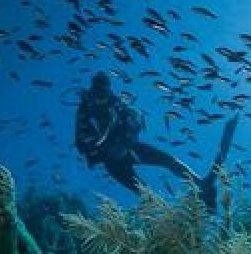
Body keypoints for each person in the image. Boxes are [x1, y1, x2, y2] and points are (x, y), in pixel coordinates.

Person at [74, 72, 224, 208]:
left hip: (130, 148)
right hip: (111, 162)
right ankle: (168, 217)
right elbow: (81, 143)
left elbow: (137, 120)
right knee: (143, 191)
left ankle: (201, 184)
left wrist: (126, 138)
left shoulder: (117, 104)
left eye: (104, 92)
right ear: (92, 91)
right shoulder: (85, 111)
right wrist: (98, 149)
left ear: (108, 90)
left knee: (168, 161)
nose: (101, 97)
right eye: (98, 92)